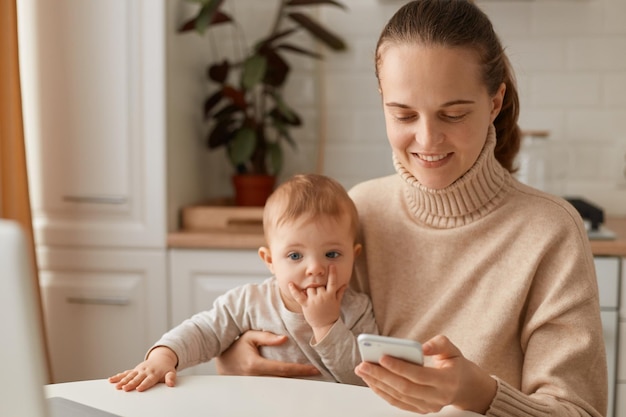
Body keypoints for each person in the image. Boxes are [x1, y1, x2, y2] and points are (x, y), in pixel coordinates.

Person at [213, 1, 608, 416]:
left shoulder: (550, 231)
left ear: (495, 103)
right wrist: (235, 358)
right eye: (403, 114)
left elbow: (579, 411)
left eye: (453, 114)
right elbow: (302, 338)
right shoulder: (358, 211)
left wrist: (479, 393)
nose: (427, 138)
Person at [108, 174, 378, 391]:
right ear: (270, 260)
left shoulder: (357, 310)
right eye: (295, 255)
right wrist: (165, 356)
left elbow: (364, 380)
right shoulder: (249, 302)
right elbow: (204, 332)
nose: (315, 268)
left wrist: (326, 325)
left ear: (353, 256)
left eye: (332, 254)